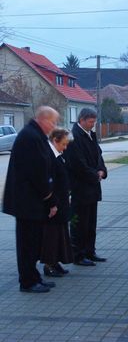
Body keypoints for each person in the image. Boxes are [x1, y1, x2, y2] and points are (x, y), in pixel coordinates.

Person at [3, 106, 59, 293]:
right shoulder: (30, 137)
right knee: (27, 244)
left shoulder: (35, 135)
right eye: (53, 122)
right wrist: (50, 200)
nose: (54, 126)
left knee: (34, 242)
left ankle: (34, 277)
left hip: (32, 201)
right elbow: (38, 174)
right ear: (42, 119)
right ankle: (27, 282)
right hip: (27, 202)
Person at [64, 108, 107, 266]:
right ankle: (78, 254)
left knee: (90, 222)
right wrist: (95, 175)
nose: (93, 124)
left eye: (94, 121)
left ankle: (90, 251)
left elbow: (98, 155)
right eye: (90, 122)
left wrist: (102, 170)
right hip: (80, 187)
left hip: (92, 187)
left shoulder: (91, 134)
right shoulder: (73, 137)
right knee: (79, 224)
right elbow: (77, 164)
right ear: (81, 120)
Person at [41, 128, 73, 277]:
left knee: (60, 234)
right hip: (53, 203)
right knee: (51, 236)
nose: (65, 148)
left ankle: (56, 261)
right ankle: (48, 265)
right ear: (55, 141)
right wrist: (52, 203)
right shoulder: (48, 156)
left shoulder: (58, 155)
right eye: (64, 144)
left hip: (61, 201)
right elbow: (47, 183)